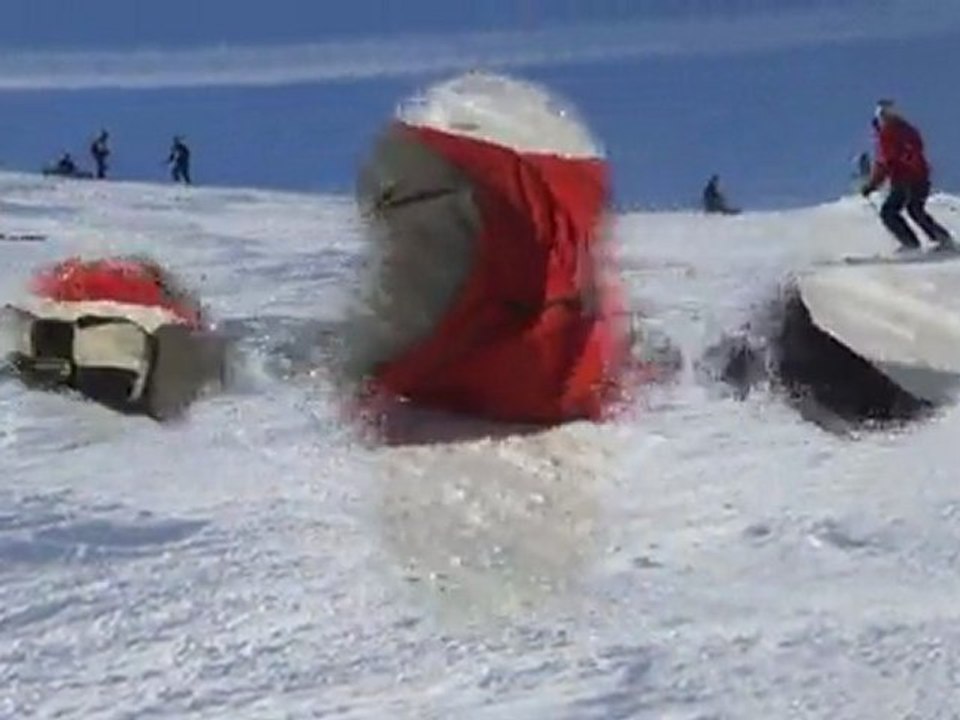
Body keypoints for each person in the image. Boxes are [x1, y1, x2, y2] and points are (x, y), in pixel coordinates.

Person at [860, 99, 952, 250]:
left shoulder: (901, 131)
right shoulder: (885, 137)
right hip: (906, 179)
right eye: (881, 115)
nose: (884, 119)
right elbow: (883, 164)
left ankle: (922, 243)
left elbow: (911, 153)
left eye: (886, 115)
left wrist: (908, 166)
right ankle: (924, 241)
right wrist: (872, 185)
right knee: (907, 210)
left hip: (912, 179)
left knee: (902, 210)